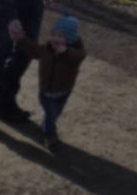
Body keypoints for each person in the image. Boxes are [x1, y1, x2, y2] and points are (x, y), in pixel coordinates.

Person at [17, 13, 86, 153]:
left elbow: (76, 58)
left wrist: (65, 52)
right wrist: (20, 40)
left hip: (64, 91)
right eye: (53, 34)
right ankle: (49, 134)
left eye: (60, 36)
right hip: (46, 92)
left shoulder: (76, 53)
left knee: (56, 113)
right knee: (51, 114)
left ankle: (48, 126)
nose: (55, 39)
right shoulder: (45, 50)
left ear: (70, 39)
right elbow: (33, 49)